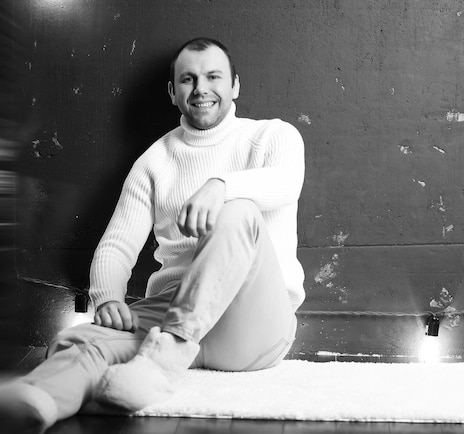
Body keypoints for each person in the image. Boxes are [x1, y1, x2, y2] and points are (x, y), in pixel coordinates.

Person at [0, 37, 305, 433]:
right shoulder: (155, 161)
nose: (201, 89)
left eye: (214, 76)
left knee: (239, 212)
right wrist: (107, 298)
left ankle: (166, 355)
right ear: (173, 92)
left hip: (253, 323)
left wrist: (221, 186)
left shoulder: (273, 136)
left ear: (235, 86)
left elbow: (287, 184)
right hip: (170, 312)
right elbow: (117, 244)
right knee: (80, 342)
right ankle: (37, 401)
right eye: (188, 79)